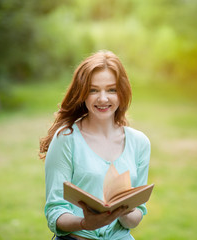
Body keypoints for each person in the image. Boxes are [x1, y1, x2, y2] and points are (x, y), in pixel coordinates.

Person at [40, 50, 151, 240]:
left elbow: (137, 213)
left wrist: (122, 210)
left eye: (111, 89)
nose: (103, 98)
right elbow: (55, 212)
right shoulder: (66, 139)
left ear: (122, 92)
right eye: (93, 90)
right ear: (82, 94)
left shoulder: (140, 143)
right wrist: (85, 223)